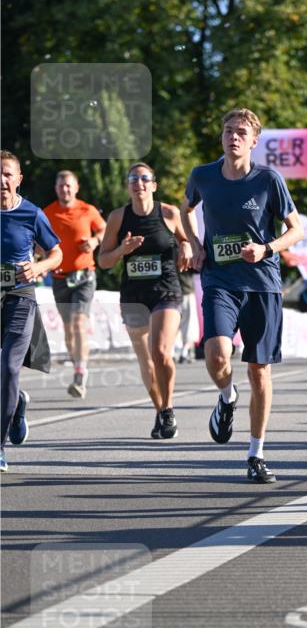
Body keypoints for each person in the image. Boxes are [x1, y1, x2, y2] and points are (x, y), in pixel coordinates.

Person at [181, 108, 303, 484]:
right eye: (228, 130)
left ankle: (256, 453)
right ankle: (227, 395)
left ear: (254, 141)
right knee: (216, 352)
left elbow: (295, 230)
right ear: (222, 136)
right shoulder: (202, 175)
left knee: (259, 370)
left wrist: (266, 249)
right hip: (220, 279)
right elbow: (186, 210)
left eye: (242, 132)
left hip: (262, 283)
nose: (233, 137)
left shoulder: (268, 180)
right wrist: (194, 243)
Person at [98, 162, 191, 439]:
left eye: (144, 178)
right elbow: (103, 261)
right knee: (147, 361)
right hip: (134, 296)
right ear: (128, 187)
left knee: (161, 351)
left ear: (153, 185)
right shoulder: (118, 217)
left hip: (166, 290)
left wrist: (185, 246)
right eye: (133, 179)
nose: (138, 183)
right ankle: (160, 410)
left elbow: (188, 240)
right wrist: (121, 250)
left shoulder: (169, 213)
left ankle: (169, 408)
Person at [1, 150, 62, 472]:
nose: (1, 180)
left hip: (20, 297)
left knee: (9, 368)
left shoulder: (32, 214)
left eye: (7, 174)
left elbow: (57, 254)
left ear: (18, 179)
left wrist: (38, 267)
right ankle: (16, 402)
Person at [43, 170, 106, 398]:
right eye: (61, 186)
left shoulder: (87, 210)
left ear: (76, 187)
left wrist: (94, 240)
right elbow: (39, 241)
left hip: (84, 276)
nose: (65, 189)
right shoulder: (47, 213)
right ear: (56, 188)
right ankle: (77, 364)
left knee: (79, 323)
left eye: (68, 185)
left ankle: (80, 374)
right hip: (60, 278)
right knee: (69, 331)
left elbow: (103, 228)